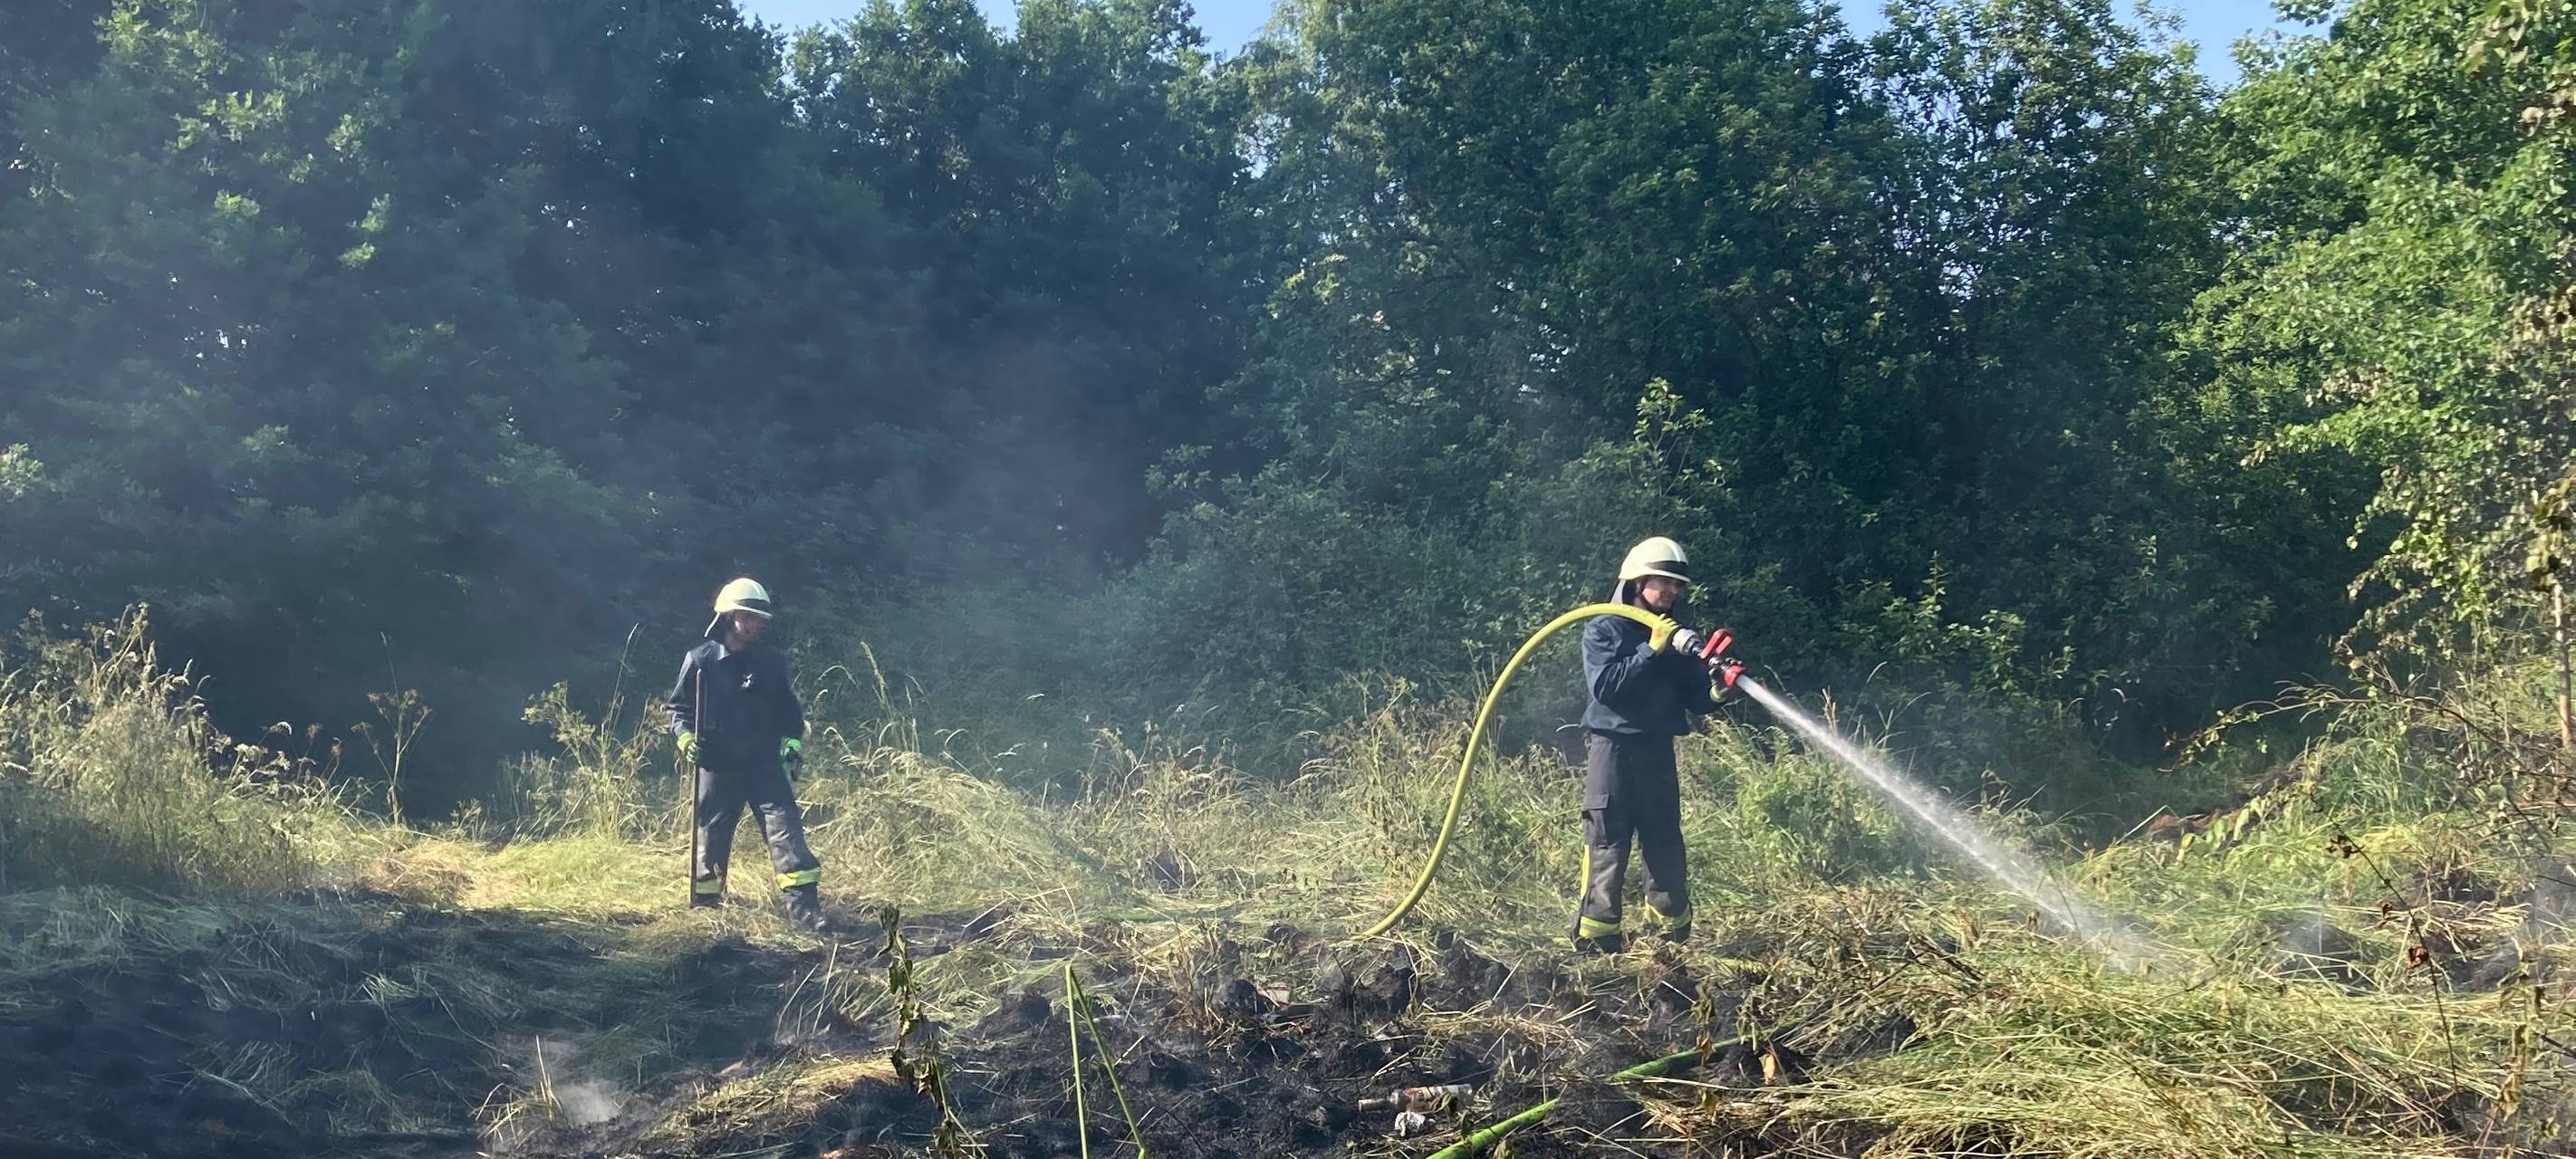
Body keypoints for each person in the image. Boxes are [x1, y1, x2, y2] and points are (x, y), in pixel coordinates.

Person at [1572, 537, 1740, 954]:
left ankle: (1668, 937)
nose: (1670, 591)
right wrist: (1651, 649)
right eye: (1661, 581)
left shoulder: (1680, 637)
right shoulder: (1604, 627)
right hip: (1612, 750)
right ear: (1635, 580)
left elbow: (1694, 697)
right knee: (1608, 842)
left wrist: (1719, 689)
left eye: (1676, 585)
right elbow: (1606, 688)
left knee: (1664, 839)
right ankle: (1598, 940)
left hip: (1658, 750)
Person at [668, 578, 827, 931]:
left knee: (787, 834)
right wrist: (684, 738)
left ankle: (805, 914)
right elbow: (678, 710)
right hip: (718, 765)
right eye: (749, 617)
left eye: (760, 618)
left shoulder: (771, 662)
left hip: (763, 766)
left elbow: (789, 712)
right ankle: (706, 910)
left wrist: (792, 741)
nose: (757, 624)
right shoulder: (700, 661)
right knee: (711, 839)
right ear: (728, 617)